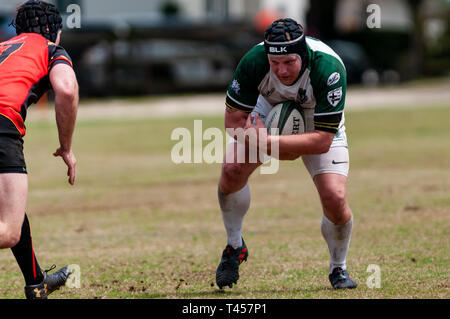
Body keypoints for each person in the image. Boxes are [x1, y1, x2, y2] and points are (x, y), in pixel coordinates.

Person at [215, 18, 357, 290]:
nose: (281, 71)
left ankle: (338, 268)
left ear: (302, 55)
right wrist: (256, 138)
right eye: (275, 63)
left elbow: (322, 141)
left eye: (289, 62)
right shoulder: (254, 61)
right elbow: (232, 123)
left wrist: (268, 143)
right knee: (231, 170)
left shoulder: (329, 69)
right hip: (269, 107)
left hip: (316, 119)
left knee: (335, 197)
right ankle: (234, 247)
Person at [0, 0, 78, 299]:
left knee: (11, 210)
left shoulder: (3, 48)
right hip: (3, 126)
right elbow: (67, 89)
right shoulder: (50, 49)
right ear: (55, 32)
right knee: (8, 231)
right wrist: (67, 148)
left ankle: (37, 282)